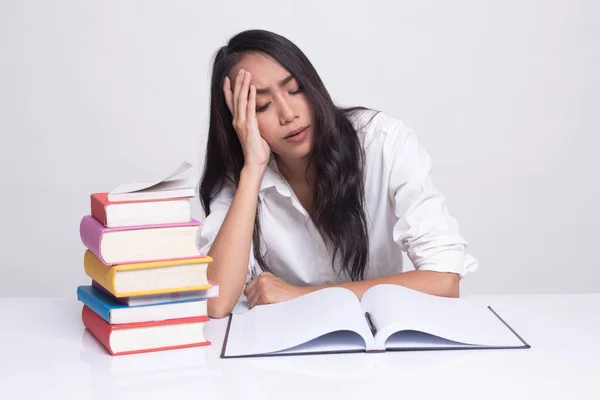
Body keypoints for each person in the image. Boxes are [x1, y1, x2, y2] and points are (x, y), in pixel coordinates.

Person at [197, 29, 478, 318]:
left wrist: (303, 297)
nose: (288, 114)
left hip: (378, 342)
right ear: (238, 121)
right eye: (262, 106)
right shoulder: (240, 176)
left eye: (295, 90)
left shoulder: (383, 141)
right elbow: (216, 303)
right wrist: (253, 170)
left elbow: (445, 281)